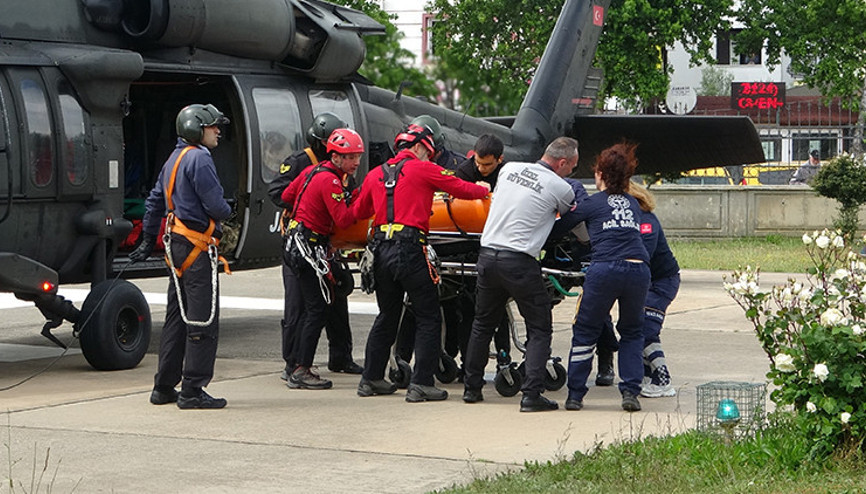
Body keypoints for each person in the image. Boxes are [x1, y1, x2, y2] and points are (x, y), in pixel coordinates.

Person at [352, 120, 489, 402]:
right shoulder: (424, 168)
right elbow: (460, 188)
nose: (431, 155)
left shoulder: (376, 174)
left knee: (387, 316)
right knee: (428, 314)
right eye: (429, 150)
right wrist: (483, 190)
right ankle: (421, 383)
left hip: (380, 250)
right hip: (410, 249)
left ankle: (371, 378)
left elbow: (360, 210)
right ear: (418, 147)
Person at [462, 136, 579, 412]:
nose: (571, 172)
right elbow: (569, 220)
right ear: (562, 163)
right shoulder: (561, 187)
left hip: (488, 256)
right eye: (572, 167)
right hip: (519, 261)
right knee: (539, 327)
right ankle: (532, 394)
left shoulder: (509, 170)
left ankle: (471, 388)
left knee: (482, 323)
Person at [130, 103, 233, 409]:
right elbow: (215, 205)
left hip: (176, 246)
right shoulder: (200, 158)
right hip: (196, 248)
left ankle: (163, 386)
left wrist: (148, 238)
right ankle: (192, 389)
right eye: (213, 126)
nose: (217, 131)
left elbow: (154, 201)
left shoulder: (174, 158)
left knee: (177, 317)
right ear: (197, 129)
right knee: (202, 319)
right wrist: (228, 211)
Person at [267, 112, 363, 378]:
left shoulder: (338, 171)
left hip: (325, 244)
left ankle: (340, 356)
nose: (354, 160)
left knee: (336, 298)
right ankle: (295, 363)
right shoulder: (304, 164)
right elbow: (279, 193)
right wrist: (311, 206)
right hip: (305, 245)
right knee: (301, 306)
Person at [563, 142, 650, 413]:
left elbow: (561, 225)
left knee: (586, 329)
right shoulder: (634, 204)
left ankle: (575, 395)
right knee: (632, 331)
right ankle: (630, 392)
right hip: (638, 270)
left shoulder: (591, 203)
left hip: (605, 269)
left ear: (599, 173)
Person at [628, 182, 680, 398]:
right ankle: (647, 374)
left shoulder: (646, 221)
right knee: (635, 327)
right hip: (645, 283)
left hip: (661, 282)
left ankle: (662, 378)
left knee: (647, 329)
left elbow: (642, 255)